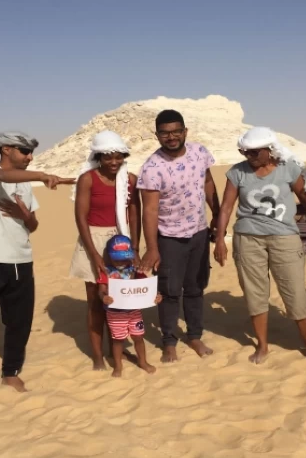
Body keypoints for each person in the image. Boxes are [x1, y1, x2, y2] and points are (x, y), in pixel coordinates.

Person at [0, 131, 74, 411]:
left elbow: (33, 225)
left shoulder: (24, 185)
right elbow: (2, 177)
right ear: (7, 149)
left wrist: (22, 214)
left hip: (21, 262)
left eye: (31, 152)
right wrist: (40, 174)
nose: (29, 157)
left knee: (20, 323)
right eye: (24, 152)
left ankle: (10, 374)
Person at [213, 127, 306, 364]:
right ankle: (262, 346)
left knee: (294, 292)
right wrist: (220, 239)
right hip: (247, 239)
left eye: (255, 152)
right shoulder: (237, 172)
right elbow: (226, 207)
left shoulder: (289, 168)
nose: (249, 157)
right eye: (245, 152)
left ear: (269, 150)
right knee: (255, 293)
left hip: (284, 238)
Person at [137, 109, 220, 362]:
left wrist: (217, 215)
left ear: (185, 131)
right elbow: (149, 210)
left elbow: (208, 183)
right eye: (165, 133)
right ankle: (169, 341)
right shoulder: (152, 167)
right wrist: (152, 248)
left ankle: (194, 336)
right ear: (157, 135)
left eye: (176, 131)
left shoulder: (199, 153)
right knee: (170, 291)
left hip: (198, 233)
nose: (171, 137)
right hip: (169, 237)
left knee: (195, 287)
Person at [70, 131, 141, 370]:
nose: (113, 162)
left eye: (118, 157)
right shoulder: (88, 179)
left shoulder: (130, 180)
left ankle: (116, 352)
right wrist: (94, 254)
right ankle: (98, 356)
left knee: (119, 299)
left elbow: (134, 212)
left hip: (122, 242)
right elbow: (80, 217)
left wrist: (135, 248)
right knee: (96, 301)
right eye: (108, 157)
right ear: (98, 157)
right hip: (94, 239)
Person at [96, 235, 161, 377]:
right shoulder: (106, 271)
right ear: (109, 255)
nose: (120, 262)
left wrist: (155, 296)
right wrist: (104, 297)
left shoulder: (134, 270)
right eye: (116, 259)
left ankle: (142, 361)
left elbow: (145, 286)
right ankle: (118, 366)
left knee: (138, 337)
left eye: (124, 258)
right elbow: (101, 290)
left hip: (134, 311)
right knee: (118, 340)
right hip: (115, 313)